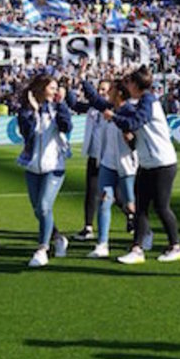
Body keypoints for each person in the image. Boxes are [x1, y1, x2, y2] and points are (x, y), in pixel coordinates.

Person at [110, 66, 180, 265]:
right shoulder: (142, 102)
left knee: (161, 207)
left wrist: (114, 117)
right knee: (141, 208)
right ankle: (137, 249)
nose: (127, 87)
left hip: (162, 163)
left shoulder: (148, 101)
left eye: (129, 83)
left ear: (136, 85)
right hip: (147, 163)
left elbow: (134, 123)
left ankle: (176, 246)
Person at [78, 79, 139, 258]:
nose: (107, 93)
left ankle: (143, 236)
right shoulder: (107, 107)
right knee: (104, 200)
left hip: (126, 165)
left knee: (131, 205)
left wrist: (131, 139)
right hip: (107, 162)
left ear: (119, 93)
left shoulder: (130, 111)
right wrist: (83, 79)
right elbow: (93, 98)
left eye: (110, 90)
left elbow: (137, 137)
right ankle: (102, 244)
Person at [17, 74, 72, 268]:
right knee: (39, 210)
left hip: (54, 166)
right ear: (41, 89)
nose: (55, 91)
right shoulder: (26, 110)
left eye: (56, 88)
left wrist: (61, 104)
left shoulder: (57, 108)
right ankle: (58, 238)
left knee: (43, 206)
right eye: (52, 88)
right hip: (32, 166)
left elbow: (66, 126)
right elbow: (26, 132)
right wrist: (33, 112)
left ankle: (42, 249)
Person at [67, 79, 111, 242]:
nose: (101, 92)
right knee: (91, 192)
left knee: (117, 193)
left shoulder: (110, 107)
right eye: (100, 89)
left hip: (108, 156)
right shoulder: (93, 108)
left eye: (104, 89)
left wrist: (83, 79)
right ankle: (88, 227)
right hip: (93, 155)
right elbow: (74, 105)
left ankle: (131, 216)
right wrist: (68, 88)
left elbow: (92, 97)